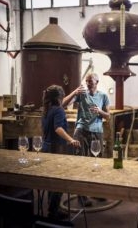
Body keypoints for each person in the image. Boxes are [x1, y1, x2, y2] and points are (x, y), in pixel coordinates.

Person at [63, 73, 110, 206]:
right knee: (80, 162)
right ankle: (82, 197)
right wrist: (74, 92)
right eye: (87, 81)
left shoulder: (103, 96)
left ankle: (96, 192)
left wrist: (99, 111)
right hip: (81, 130)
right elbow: (63, 104)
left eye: (91, 81)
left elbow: (108, 116)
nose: (89, 83)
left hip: (97, 132)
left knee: (97, 162)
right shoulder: (81, 94)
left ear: (97, 82)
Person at [41, 85, 81, 220]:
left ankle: (52, 209)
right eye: (62, 96)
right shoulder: (58, 110)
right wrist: (71, 140)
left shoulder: (47, 109)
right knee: (58, 181)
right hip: (56, 149)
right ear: (59, 97)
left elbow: (61, 104)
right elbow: (58, 128)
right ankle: (53, 213)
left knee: (51, 182)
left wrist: (74, 92)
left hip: (46, 148)